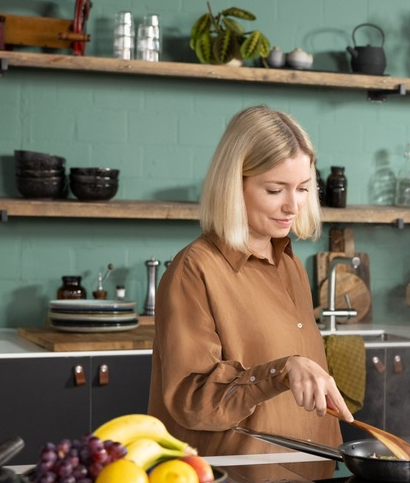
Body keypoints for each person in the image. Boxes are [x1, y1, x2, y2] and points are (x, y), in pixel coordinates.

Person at [149, 105, 354, 460]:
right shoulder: (195, 270)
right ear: (233, 185)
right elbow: (191, 399)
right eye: (275, 190)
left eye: (304, 189)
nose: (293, 206)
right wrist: (281, 370)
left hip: (315, 478)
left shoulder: (291, 265)